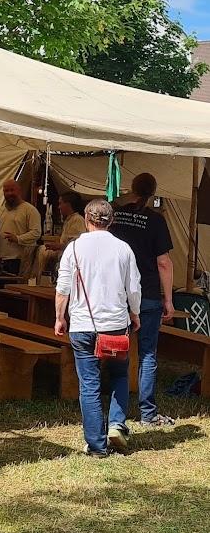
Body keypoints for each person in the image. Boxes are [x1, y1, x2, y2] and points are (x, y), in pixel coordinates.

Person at [55, 199, 141, 456]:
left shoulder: (73, 248)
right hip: (115, 324)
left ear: (86, 219)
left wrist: (60, 317)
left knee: (89, 384)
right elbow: (133, 287)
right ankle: (116, 425)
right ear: (111, 221)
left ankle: (96, 444)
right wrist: (135, 313)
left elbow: (63, 288)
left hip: (83, 324)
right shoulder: (123, 248)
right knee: (119, 375)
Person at [111, 172, 175, 427]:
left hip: (118, 294)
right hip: (147, 293)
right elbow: (164, 262)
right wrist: (168, 299)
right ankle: (147, 413)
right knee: (147, 353)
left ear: (132, 188)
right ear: (153, 192)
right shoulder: (156, 221)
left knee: (117, 350)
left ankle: (115, 412)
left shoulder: (116, 215)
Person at [35, 190, 87, 280]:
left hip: (71, 264)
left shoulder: (77, 220)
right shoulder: (69, 220)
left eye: (60, 203)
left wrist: (58, 246)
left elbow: (76, 245)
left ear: (68, 204)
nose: (59, 207)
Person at [0, 180, 42, 277]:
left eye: (12, 190)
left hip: (18, 260)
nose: (9, 193)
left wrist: (18, 238)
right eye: (6, 191)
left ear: (19, 191)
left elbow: (36, 232)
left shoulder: (30, 210)